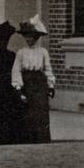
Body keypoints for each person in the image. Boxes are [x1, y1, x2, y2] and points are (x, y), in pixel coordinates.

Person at [12, 16, 55, 144]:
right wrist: (18, 88)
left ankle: (42, 138)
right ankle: (28, 138)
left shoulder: (43, 52)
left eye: (31, 36)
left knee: (40, 110)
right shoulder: (21, 53)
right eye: (27, 36)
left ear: (36, 37)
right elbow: (16, 71)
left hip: (39, 83)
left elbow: (48, 69)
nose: (29, 39)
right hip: (27, 82)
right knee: (28, 111)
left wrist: (51, 85)